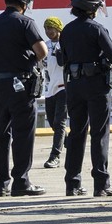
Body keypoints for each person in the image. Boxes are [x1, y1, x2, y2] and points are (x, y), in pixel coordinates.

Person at [0, 0, 48, 198]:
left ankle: (1, 184)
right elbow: (42, 51)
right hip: (21, 85)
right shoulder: (25, 23)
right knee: (23, 134)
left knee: (2, 134)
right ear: (25, 0)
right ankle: (21, 181)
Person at [60, 0, 112, 198]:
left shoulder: (67, 30)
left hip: (74, 86)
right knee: (99, 133)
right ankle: (101, 184)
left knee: (76, 133)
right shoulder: (96, 29)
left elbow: (63, 58)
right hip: (96, 86)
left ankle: (72, 183)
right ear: (92, 7)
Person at [41, 17, 66, 169]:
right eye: (46, 28)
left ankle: (54, 156)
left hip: (64, 87)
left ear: (58, 29)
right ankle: (69, 143)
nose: (49, 31)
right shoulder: (45, 45)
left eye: (51, 28)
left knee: (59, 122)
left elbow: (64, 63)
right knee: (51, 122)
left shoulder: (66, 44)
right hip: (50, 89)